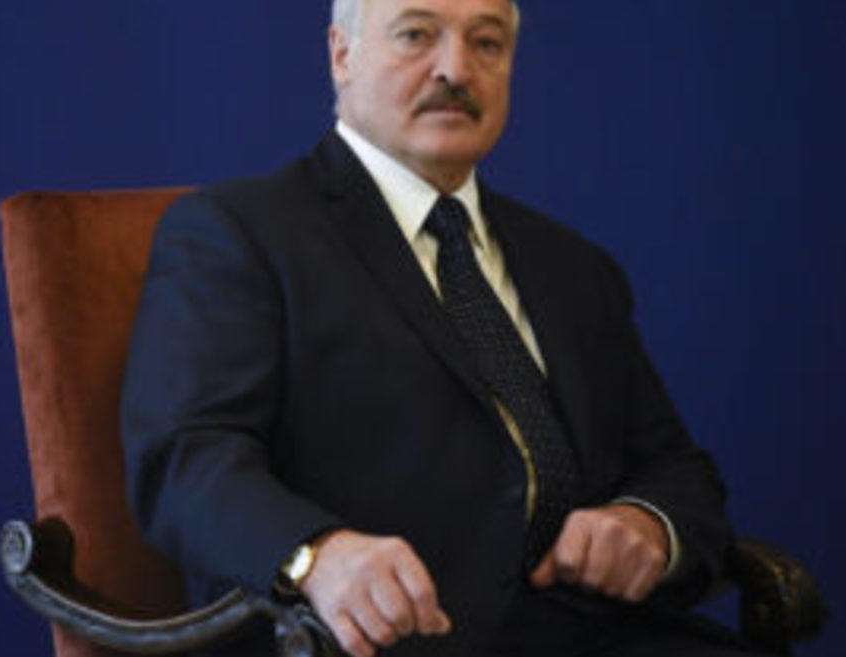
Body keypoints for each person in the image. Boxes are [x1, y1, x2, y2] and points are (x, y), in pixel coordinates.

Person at [121, 0, 754, 655]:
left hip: (602, 632)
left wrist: (646, 524)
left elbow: (675, 468)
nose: (455, 69)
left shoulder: (573, 265)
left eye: (487, 43)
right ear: (341, 54)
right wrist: (317, 554)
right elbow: (185, 458)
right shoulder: (242, 233)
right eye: (416, 35)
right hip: (376, 640)